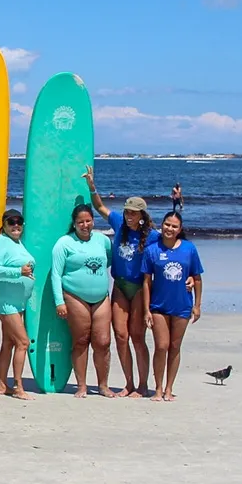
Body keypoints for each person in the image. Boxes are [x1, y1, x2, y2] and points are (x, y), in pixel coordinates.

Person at [84, 167, 158, 398]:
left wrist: (187, 278)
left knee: (137, 336)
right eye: (127, 211)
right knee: (120, 335)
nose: (129, 215)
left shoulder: (153, 235)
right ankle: (128, 383)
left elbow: (174, 249)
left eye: (134, 213)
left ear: (142, 216)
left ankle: (143, 384)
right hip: (119, 285)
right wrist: (92, 186)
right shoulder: (119, 224)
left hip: (138, 288)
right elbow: (99, 207)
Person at [51, 204, 114, 398]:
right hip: (74, 296)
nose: (85, 225)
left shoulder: (103, 240)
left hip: (102, 297)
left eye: (88, 221)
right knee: (81, 340)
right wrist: (59, 301)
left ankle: (103, 385)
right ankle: (82, 385)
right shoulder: (64, 243)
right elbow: (55, 274)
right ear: (74, 223)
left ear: (93, 221)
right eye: (80, 222)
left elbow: (109, 262)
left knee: (103, 342)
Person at [143, 211, 204, 402]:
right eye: (167, 225)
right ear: (162, 226)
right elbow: (146, 282)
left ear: (180, 229)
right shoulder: (152, 250)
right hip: (158, 306)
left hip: (182, 306)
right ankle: (158, 388)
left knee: (175, 347)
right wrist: (146, 310)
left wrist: (197, 305)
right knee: (161, 346)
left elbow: (197, 278)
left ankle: (169, 388)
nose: (170, 229)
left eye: (174, 226)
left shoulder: (189, 249)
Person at [0, 209, 35, 399]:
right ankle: (18, 388)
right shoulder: (0, 242)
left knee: (8, 343)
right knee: (23, 342)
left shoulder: (17, 242)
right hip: (7, 303)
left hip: (18, 302)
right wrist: (18, 272)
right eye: (11, 222)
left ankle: (1, 384)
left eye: (19, 222)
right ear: (4, 225)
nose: (16, 225)